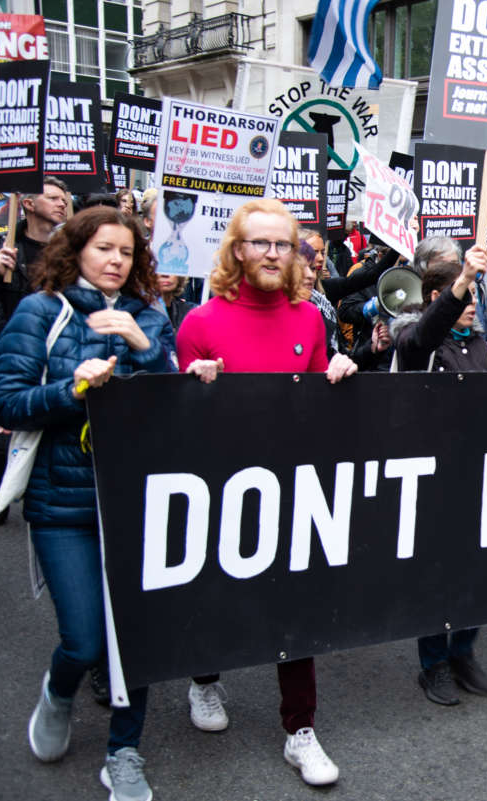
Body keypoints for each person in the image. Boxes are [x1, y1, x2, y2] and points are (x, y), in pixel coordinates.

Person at [0, 205, 174, 801]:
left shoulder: (149, 314)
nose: (116, 261)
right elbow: (9, 403)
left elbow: (171, 404)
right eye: (104, 249)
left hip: (136, 504)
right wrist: (75, 388)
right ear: (77, 251)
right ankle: (59, 691)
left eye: (126, 252)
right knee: (85, 641)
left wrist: (146, 348)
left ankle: (124, 752)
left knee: (136, 642)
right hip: (63, 505)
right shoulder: (40, 312)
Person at [176, 198, 357, 787]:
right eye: (260, 243)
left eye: (284, 244)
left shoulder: (309, 319)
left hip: (292, 484)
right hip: (220, 488)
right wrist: (195, 387)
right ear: (237, 250)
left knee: (294, 607)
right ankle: (204, 680)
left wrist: (339, 373)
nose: (273, 253)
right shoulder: (199, 324)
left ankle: (299, 729)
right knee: (214, 589)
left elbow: (316, 393)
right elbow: (175, 421)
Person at [373, 242, 487, 704]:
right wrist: (462, 282)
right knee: (435, 572)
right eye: (465, 297)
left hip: (474, 471)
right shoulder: (414, 340)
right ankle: (432, 663)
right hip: (429, 477)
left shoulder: (479, 346)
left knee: (477, 567)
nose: (474, 305)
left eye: (475, 297)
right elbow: (420, 339)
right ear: (437, 297)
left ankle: (463, 652)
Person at [0, 177, 70, 319]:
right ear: (29, 204)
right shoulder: (1, 245)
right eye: (53, 198)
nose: (62, 204)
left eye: (64, 201)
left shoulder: (72, 248)